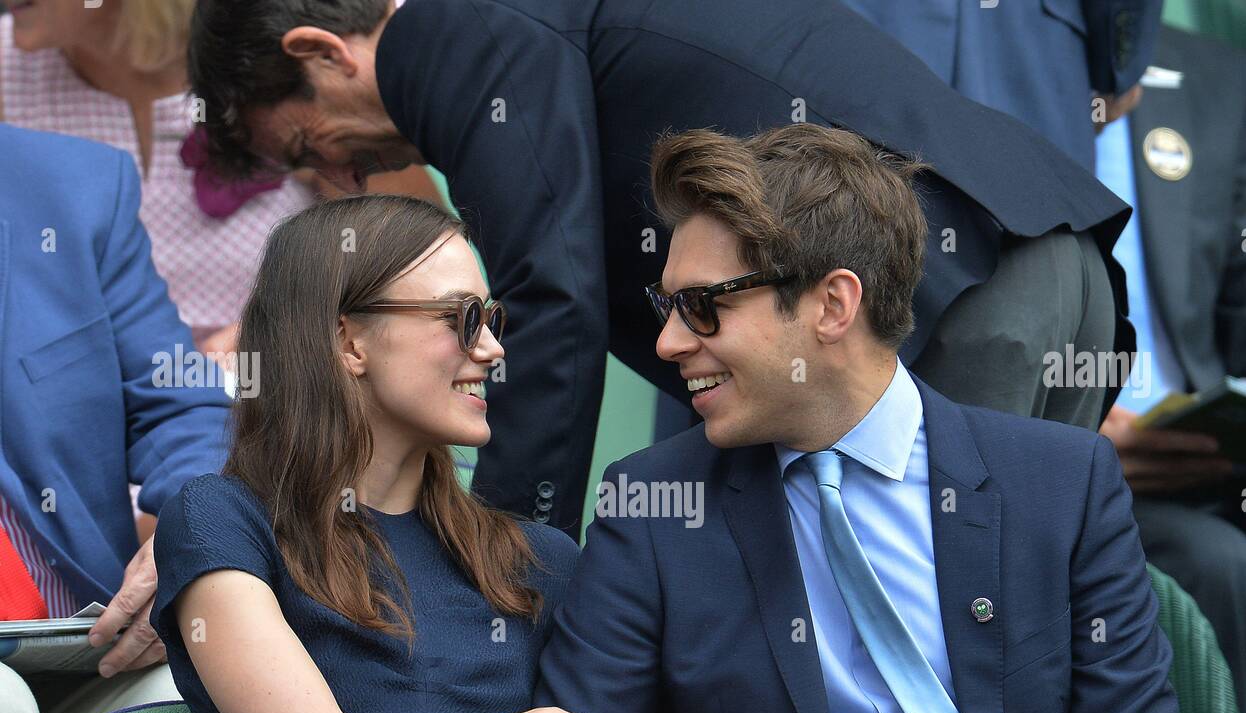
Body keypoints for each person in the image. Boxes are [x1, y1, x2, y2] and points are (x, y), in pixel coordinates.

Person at [187, 0, 1138, 540]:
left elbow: (549, 301)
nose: (344, 176)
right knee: (1009, 634)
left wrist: (504, 555)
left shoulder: (449, 29)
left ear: (318, 50)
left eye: (311, 144)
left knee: (949, 669)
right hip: (1042, 259)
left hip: (941, 295)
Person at [527, 124, 1201, 713]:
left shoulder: (1062, 484)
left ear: (832, 305)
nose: (668, 344)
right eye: (669, 308)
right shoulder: (655, 508)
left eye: (704, 307)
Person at [151, 194, 700, 713]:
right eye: (461, 319)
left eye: (492, 318)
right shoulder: (219, 520)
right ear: (348, 339)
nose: (493, 349)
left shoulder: (538, 556)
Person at [0, 124, 230, 713]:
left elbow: (184, 400)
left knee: (203, 685)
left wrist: (191, 533)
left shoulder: (73, 185)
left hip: (88, 639)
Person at [1093, 25, 1246, 713]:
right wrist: (1076, 438)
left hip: (1213, 448)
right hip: (1077, 450)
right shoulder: (988, 58)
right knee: (1217, 561)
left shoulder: (1215, 74)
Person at [0, 0, 313, 356]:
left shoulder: (278, 56)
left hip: (280, 386)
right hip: (96, 398)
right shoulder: (7, 76)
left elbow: (372, 251)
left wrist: (275, 329)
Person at [841, 0, 1162, 169]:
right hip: (1033, 50)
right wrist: (1117, 70)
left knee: (848, 242)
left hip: (850, 31)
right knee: (1033, 263)